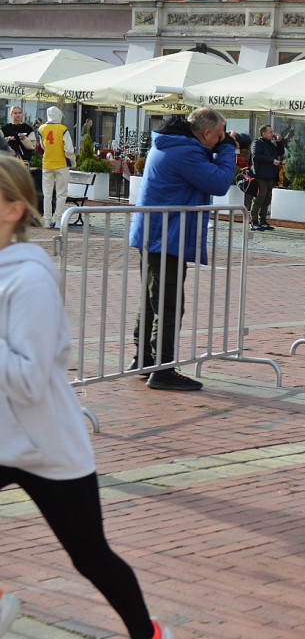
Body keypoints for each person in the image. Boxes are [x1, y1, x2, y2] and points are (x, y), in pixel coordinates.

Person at [0, 157, 174, 639]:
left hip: (46, 445)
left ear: (14, 209)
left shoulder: (30, 279)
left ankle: (149, 633)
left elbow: (29, 380)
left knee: (89, 555)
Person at [128, 107, 236, 391]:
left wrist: (221, 147)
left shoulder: (176, 144)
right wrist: (229, 150)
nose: (222, 138)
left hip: (157, 233)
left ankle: (144, 358)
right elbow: (219, 182)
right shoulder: (185, 152)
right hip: (165, 236)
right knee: (168, 302)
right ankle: (162, 369)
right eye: (220, 134)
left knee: (154, 298)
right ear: (206, 133)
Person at [37, 106, 76, 229]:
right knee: (61, 193)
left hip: (47, 163)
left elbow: (43, 146)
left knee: (47, 193)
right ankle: (58, 219)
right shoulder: (63, 129)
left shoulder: (41, 129)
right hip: (61, 164)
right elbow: (69, 150)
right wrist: (73, 162)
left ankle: (47, 219)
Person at [249, 124, 282, 232]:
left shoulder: (271, 145)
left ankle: (262, 221)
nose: (272, 134)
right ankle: (254, 222)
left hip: (270, 175)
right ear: (263, 133)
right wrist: (271, 161)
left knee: (267, 199)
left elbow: (280, 152)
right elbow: (256, 156)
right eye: (270, 132)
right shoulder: (257, 143)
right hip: (260, 175)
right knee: (259, 198)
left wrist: (279, 142)